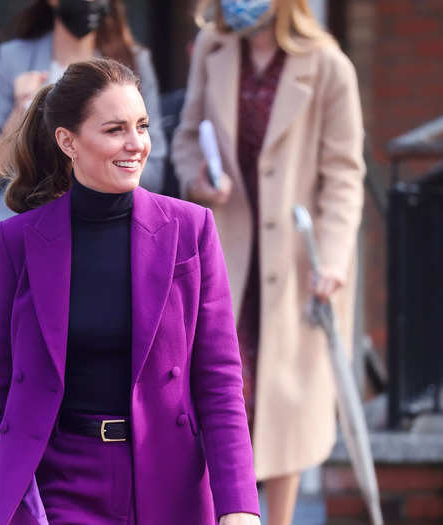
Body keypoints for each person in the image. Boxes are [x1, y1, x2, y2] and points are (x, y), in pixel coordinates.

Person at [0, 58, 260, 525]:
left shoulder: (191, 229)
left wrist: (238, 505)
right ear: (68, 141)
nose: (136, 144)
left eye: (142, 125)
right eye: (116, 129)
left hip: (167, 478)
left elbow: (219, 380)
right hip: (59, 485)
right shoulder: (19, 241)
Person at [172, 1, 365, 524]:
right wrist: (199, 182)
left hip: (297, 269)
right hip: (225, 255)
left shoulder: (329, 66)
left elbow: (345, 175)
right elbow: (186, 137)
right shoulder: (213, 49)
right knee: (219, 397)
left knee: (283, 414)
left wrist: (333, 255)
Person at [0, 0, 166, 313]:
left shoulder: (133, 62)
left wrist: (97, 167)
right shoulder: (14, 59)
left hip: (109, 245)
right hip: (31, 249)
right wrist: (22, 111)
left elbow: (151, 170)